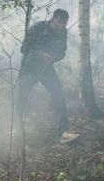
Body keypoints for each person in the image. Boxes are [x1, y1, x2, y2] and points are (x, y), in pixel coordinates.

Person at [16, 9, 70, 139]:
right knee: (22, 98)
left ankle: (63, 132)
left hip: (46, 68)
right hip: (29, 67)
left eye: (63, 24)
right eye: (58, 22)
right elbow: (24, 48)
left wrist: (53, 57)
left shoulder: (62, 32)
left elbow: (62, 52)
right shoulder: (38, 27)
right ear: (53, 19)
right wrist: (40, 55)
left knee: (58, 95)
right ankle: (17, 130)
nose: (60, 26)